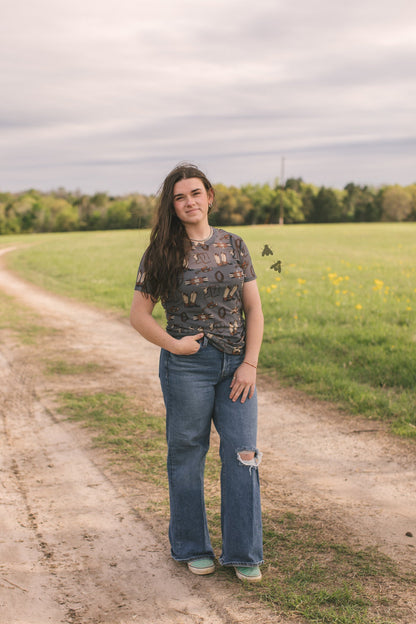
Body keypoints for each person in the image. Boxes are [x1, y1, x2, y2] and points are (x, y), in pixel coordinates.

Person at [130, 163, 264, 582]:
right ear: (173, 206)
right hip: (187, 365)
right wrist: (174, 346)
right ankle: (192, 545)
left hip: (235, 367)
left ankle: (244, 552)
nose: (189, 202)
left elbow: (254, 309)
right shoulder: (162, 253)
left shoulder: (235, 244)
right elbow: (139, 316)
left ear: (209, 197)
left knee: (243, 453)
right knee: (187, 453)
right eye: (180, 197)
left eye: (195, 193)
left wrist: (250, 364)